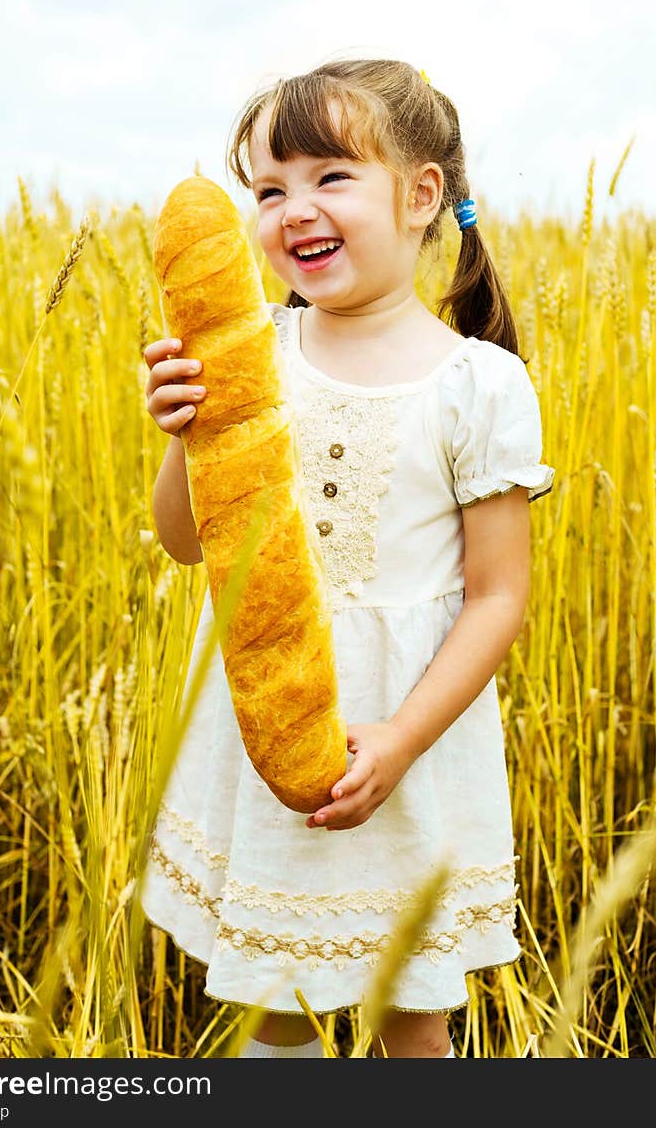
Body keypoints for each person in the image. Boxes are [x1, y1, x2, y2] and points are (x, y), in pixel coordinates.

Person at [139, 57, 555, 1059]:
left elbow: (499, 598)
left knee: (410, 1008)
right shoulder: (257, 353)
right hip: (265, 730)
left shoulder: (479, 384)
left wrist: (404, 738)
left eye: (329, 176)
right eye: (269, 189)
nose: (293, 210)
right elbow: (188, 541)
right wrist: (183, 431)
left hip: (407, 737)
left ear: (420, 196)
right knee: (272, 996)